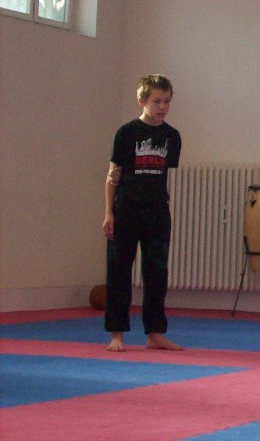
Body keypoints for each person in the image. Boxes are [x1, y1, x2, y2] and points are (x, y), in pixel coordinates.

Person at [102, 74, 183, 352]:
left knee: (157, 273)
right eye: (157, 101)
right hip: (126, 209)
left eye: (167, 101)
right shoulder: (126, 133)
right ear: (142, 101)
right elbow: (112, 176)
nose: (162, 107)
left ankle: (155, 333)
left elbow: (163, 174)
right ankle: (117, 334)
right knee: (119, 271)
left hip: (157, 211)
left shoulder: (172, 137)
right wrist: (108, 212)